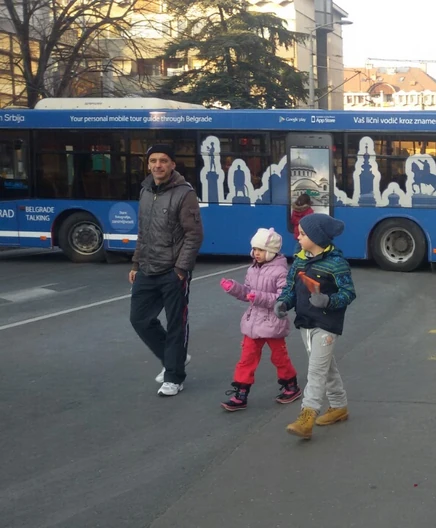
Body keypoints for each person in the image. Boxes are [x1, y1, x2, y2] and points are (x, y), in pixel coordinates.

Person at [129, 144, 204, 397]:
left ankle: (174, 376)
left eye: (163, 160)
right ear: (148, 164)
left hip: (172, 271)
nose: (157, 165)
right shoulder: (145, 190)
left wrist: (181, 270)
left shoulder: (185, 194)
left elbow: (194, 235)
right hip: (147, 269)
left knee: (176, 325)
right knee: (139, 319)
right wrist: (136, 264)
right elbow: (143, 232)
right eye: (153, 161)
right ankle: (175, 358)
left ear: (173, 164)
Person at [276, 214, 357, 440]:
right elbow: (290, 288)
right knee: (326, 366)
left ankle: (307, 417)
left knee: (316, 370)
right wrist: (283, 302)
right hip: (306, 322)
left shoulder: (337, 263)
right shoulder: (300, 259)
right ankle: (339, 406)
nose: (298, 237)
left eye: (302, 234)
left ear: (316, 236)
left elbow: (348, 293)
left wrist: (329, 301)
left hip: (327, 324)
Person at [219, 228, 301, 411]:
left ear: (271, 251)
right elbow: (248, 293)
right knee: (246, 358)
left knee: (279, 357)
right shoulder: (252, 269)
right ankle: (241, 393)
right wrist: (234, 288)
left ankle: (291, 385)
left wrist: (258, 297)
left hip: (273, 322)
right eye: (255, 249)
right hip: (253, 323)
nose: (256, 253)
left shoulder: (280, 271)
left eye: (261, 250)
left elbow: (282, 298)